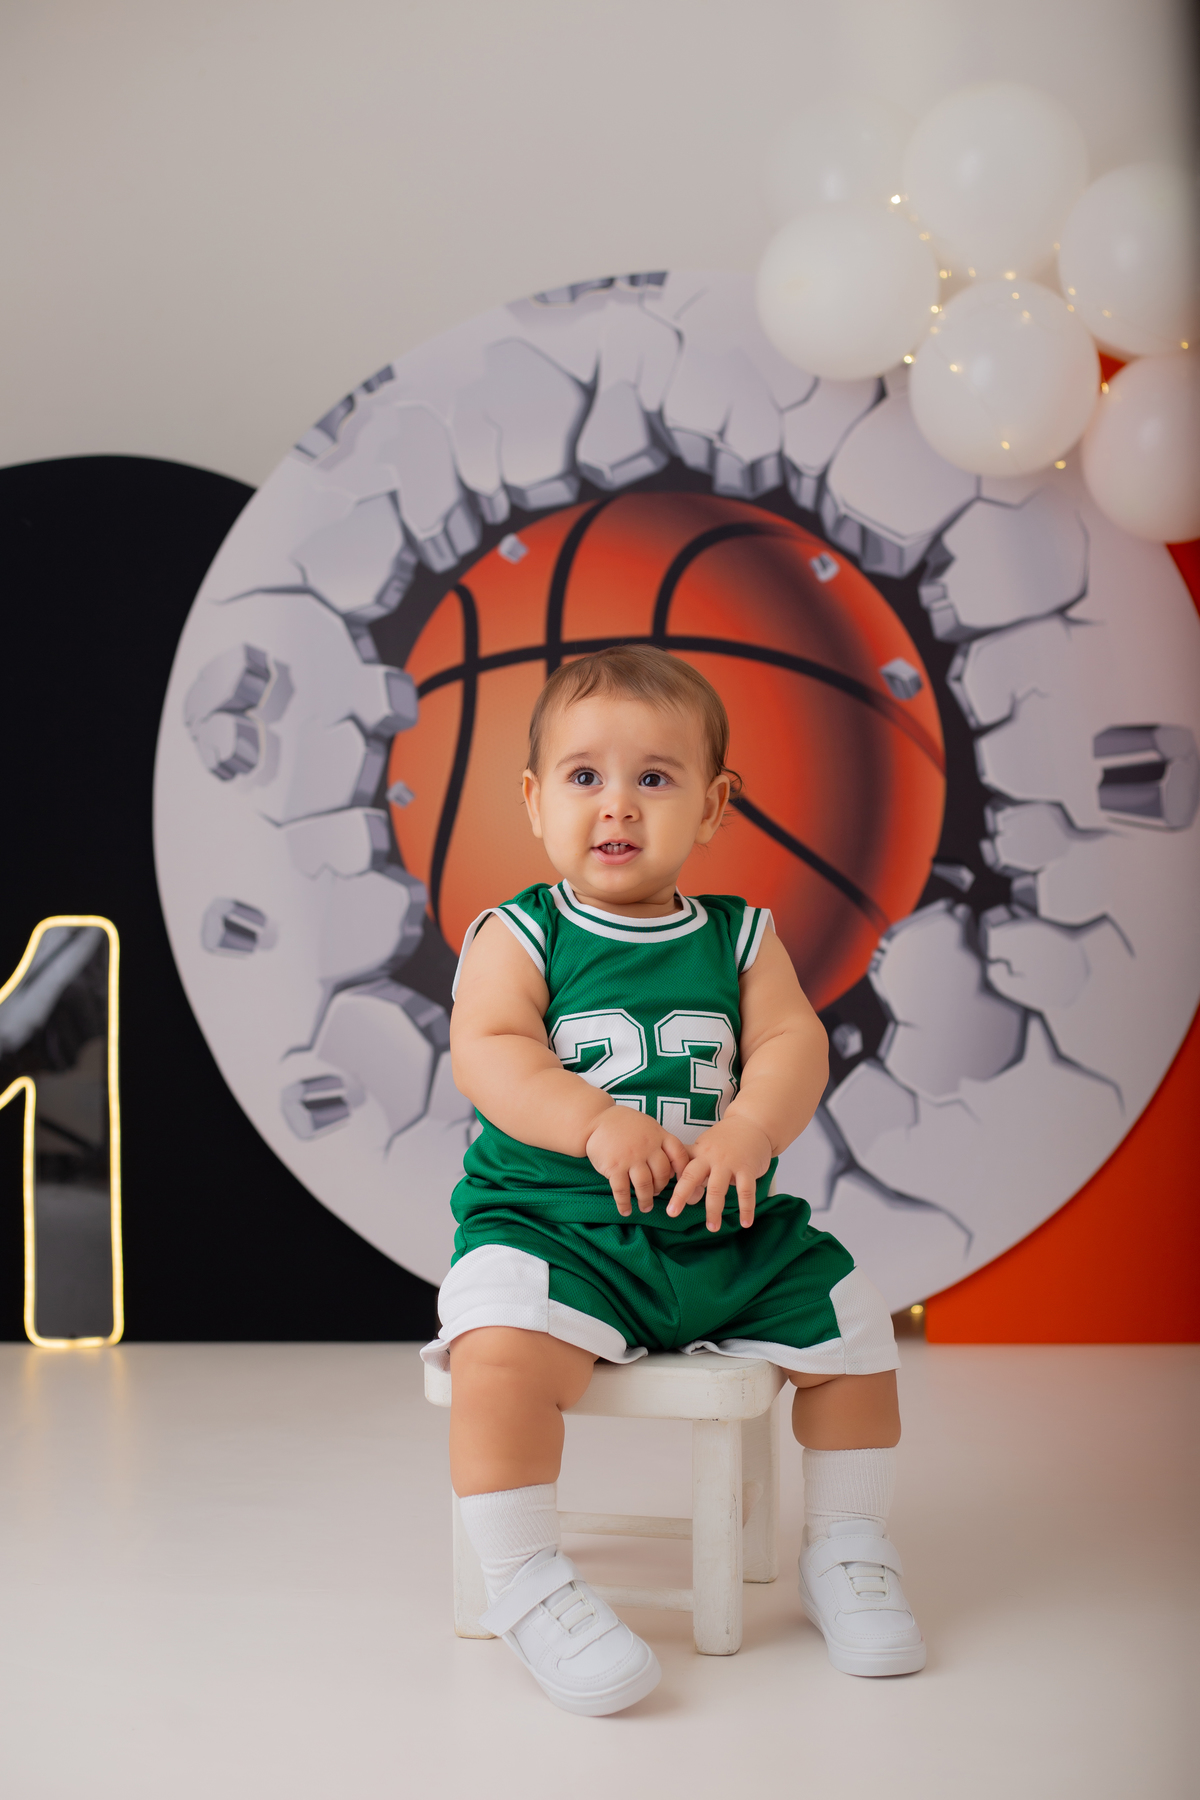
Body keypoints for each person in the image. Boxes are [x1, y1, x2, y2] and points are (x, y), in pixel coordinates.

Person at [421, 645, 924, 1715]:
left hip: (720, 1226)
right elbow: (491, 1050)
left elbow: (791, 1044)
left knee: (853, 1323)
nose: (618, 804)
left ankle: (846, 1545)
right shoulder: (521, 932)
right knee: (496, 1350)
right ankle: (526, 1577)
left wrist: (749, 1127)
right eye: (584, 776)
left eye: (654, 777)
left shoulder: (741, 938)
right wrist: (593, 1120)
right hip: (561, 1232)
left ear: (713, 806)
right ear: (534, 802)